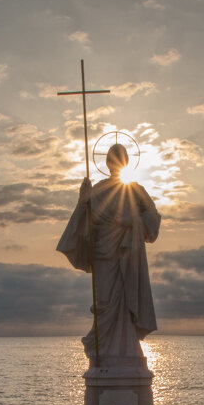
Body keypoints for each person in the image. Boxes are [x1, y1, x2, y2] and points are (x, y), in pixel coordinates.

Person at [56, 143, 161, 364]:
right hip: (104, 257)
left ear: (125, 162)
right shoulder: (97, 190)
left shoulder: (135, 190)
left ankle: (128, 349)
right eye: (111, 160)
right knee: (104, 302)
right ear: (107, 163)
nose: (114, 164)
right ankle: (102, 348)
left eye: (119, 159)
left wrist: (130, 221)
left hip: (128, 255)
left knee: (127, 299)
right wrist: (82, 202)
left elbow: (153, 219)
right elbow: (84, 227)